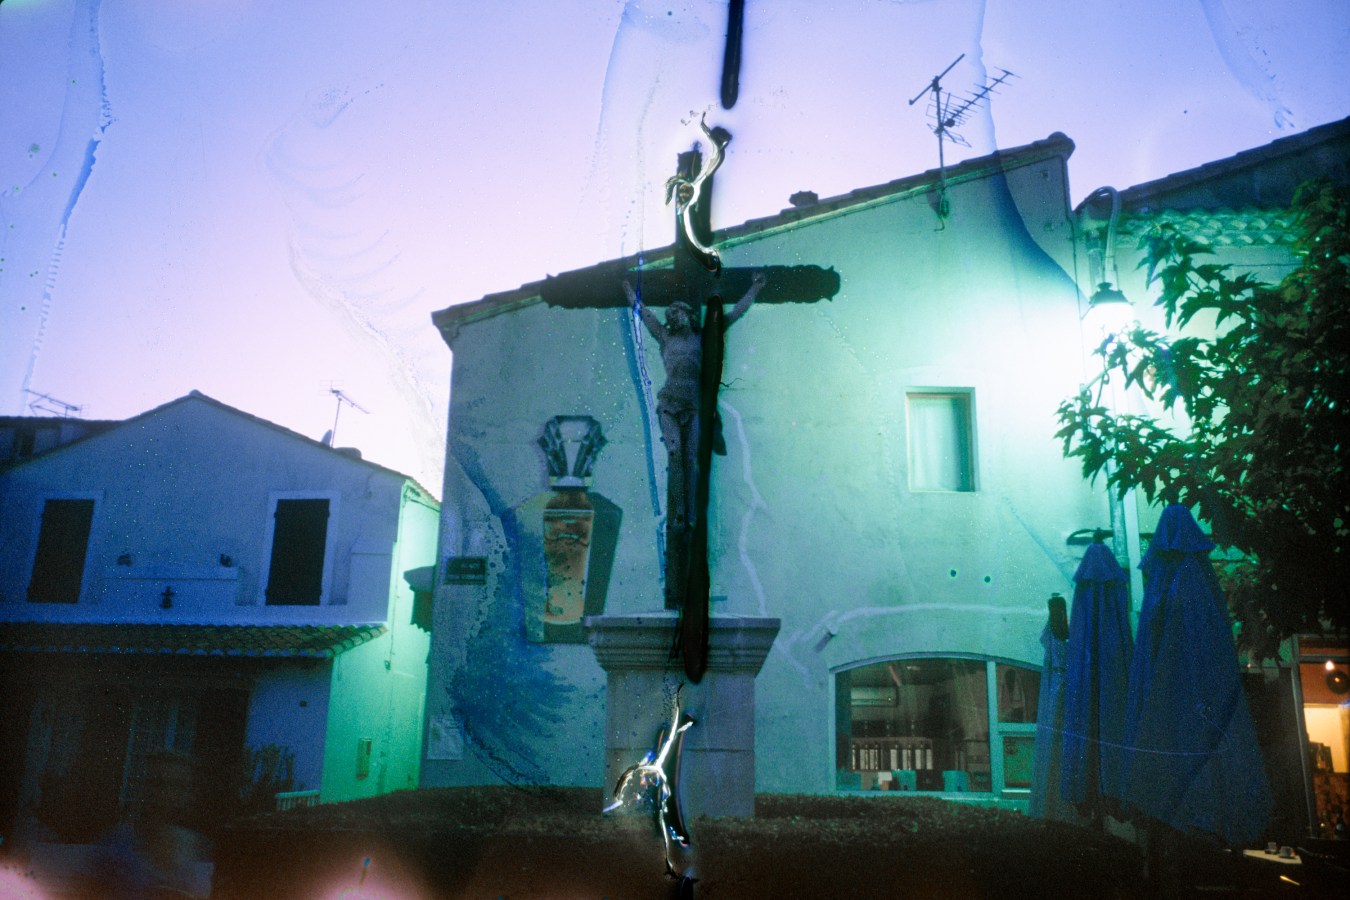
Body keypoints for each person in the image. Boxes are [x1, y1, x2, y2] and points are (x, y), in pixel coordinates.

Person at [625, 271, 766, 602]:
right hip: (669, 406)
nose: (675, 317)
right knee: (674, 452)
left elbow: (733, 314)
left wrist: (755, 287)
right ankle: (677, 514)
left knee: (691, 460)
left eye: (680, 312)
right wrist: (626, 287)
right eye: (671, 314)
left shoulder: (704, 339)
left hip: (695, 408)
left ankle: (688, 514)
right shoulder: (666, 340)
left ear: (689, 315)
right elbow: (643, 313)